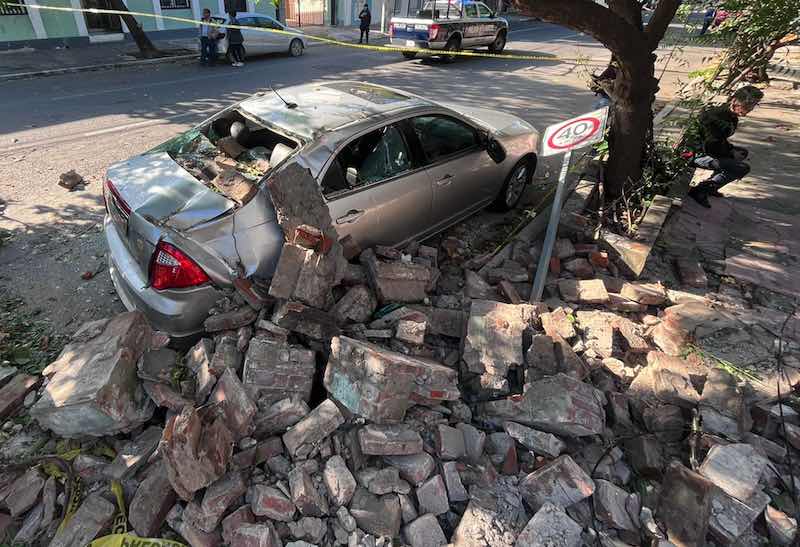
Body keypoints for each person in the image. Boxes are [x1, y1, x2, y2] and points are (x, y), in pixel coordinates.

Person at [688, 85, 764, 208]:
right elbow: (711, 146)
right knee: (742, 168)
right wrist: (730, 153)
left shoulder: (730, 115)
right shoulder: (716, 116)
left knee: (742, 153)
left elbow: (720, 139)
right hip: (695, 154)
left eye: (752, 105)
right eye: (746, 105)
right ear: (734, 101)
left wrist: (731, 149)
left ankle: (712, 184)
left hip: (708, 149)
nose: (749, 109)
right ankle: (700, 191)